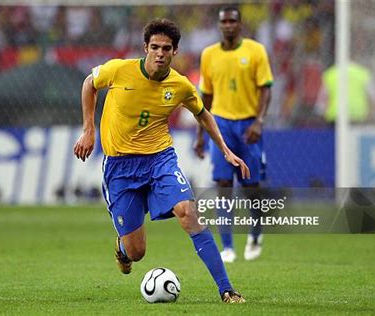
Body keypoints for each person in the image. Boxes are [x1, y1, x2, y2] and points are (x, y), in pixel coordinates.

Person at [74, 18, 249, 303]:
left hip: (159, 160)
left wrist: (226, 150)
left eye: (166, 48)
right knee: (137, 251)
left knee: (189, 213)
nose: (159, 53)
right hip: (120, 167)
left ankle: (227, 289)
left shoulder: (180, 86)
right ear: (145, 47)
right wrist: (88, 129)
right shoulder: (119, 70)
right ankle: (122, 249)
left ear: (175, 52)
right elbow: (89, 83)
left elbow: (202, 113)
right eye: (154, 47)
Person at [194, 6, 273, 263]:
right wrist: (200, 135)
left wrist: (259, 122)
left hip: (249, 125)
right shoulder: (209, 55)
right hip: (221, 125)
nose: (228, 25)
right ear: (219, 25)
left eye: (232, 21)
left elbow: (265, 89)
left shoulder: (255, 51)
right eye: (223, 21)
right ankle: (227, 246)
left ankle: (255, 234)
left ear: (240, 25)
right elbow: (205, 97)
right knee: (223, 186)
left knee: (251, 187)